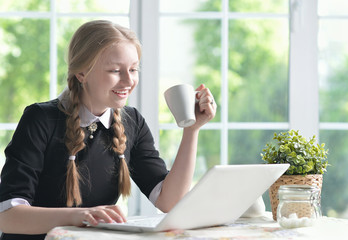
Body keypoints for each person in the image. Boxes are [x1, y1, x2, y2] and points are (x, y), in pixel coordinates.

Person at [0, 20, 216, 240]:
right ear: (81, 73)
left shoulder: (132, 122)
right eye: (115, 70)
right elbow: (8, 216)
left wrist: (192, 130)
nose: (129, 80)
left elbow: (169, 202)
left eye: (133, 69)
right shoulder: (41, 119)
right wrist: (80, 216)